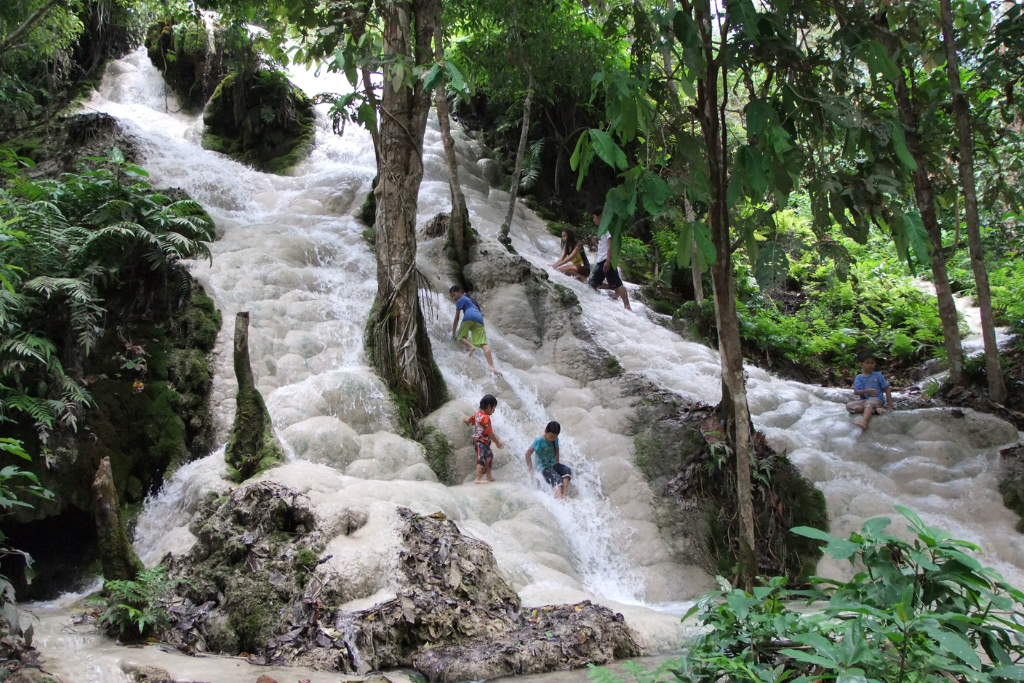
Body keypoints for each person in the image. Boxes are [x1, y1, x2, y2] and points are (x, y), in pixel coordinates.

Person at [587, 208, 631, 311]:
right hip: (601, 261)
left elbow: (611, 244)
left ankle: (627, 306)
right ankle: (615, 290)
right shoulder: (603, 229)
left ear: (600, 216)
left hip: (606, 261)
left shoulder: (607, 227)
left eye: (594, 217)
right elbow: (604, 247)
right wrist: (596, 244)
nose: (593, 220)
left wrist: (608, 261)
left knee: (618, 283)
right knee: (593, 284)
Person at [449, 285, 499, 375]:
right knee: (483, 344)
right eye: (452, 296)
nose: (453, 298)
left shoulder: (461, 299)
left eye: (454, 295)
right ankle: (492, 367)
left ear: (460, 292)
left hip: (469, 316)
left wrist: (453, 333)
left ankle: (471, 347)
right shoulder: (471, 301)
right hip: (479, 319)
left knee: (460, 336)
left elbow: (457, 318)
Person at [524, 420, 572, 499]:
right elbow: (528, 454)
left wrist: (557, 462)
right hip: (542, 468)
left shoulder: (555, 439)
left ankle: (564, 495)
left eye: (554, 438)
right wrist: (530, 470)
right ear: (545, 431)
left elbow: (557, 448)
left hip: (552, 465)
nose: (551, 440)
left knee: (567, 470)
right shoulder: (539, 441)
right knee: (556, 477)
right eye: (550, 438)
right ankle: (560, 500)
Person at [846, 352, 893, 429]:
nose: (870, 365)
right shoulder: (859, 377)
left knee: (869, 403)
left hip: (877, 400)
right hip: (864, 401)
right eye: (867, 363)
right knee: (849, 406)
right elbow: (856, 392)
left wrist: (890, 404)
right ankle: (874, 411)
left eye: (872, 363)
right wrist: (866, 391)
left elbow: (887, 389)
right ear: (861, 365)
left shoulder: (878, 375)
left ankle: (864, 421)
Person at [465, 394, 504, 484]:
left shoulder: (478, 414)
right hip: (480, 441)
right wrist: (497, 442)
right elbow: (489, 432)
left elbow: (472, 419)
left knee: (489, 456)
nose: (494, 410)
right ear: (489, 406)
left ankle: (488, 476)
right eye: (494, 408)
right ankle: (478, 478)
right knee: (481, 458)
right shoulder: (485, 418)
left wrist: (467, 420)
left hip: (481, 441)